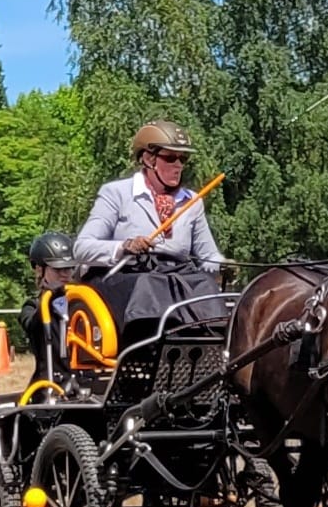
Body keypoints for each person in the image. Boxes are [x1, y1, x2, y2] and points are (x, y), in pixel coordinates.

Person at [73, 119, 227, 271]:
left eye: (183, 158)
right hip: (129, 281)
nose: (179, 165)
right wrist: (124, 246)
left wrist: (223, 265)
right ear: (148, 159)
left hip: (176, 282)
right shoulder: (116, 193)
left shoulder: (192, 202)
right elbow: (82, 248)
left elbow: (208, 255)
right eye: (170, 158)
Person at [19, 231, 77, 390]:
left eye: (69, 268)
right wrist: (52, 295)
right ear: (39, 270)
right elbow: (33, 326)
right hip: (50, 385)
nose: (65, 274)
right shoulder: (32, 306)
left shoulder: (82, 302)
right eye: (58, 269)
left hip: (84, 383)